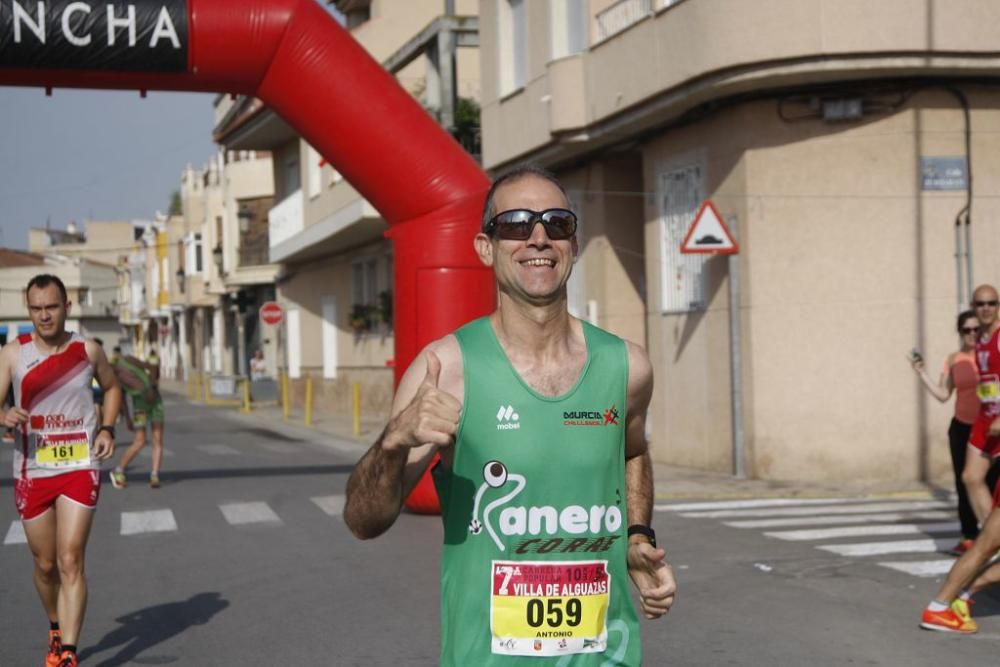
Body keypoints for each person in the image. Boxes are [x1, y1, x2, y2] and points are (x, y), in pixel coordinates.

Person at [343, 166, 676, 665]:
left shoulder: (626, 366)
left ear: (573, 243)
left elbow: (631, 452)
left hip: (608, 653)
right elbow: (362, 521)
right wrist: (394, 441)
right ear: (485, 247)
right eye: (517, 224)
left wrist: (637, 538)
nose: (538, 237)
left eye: (556, 223)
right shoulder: (448, 369)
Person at [0, 274, 122, 667]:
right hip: (32, 467)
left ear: (67, 307)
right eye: (36, 309)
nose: (44, 316)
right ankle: (55, 626)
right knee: (45, 563)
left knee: (70, 559)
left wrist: (106, 427)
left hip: (80, 464)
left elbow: (113, 388)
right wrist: (6, 415)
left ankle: (69, 653)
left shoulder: (88, 350)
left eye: (51, 307)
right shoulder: (12, 354)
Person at [909, 310, 983, 554]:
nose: (972, 334)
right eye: (966, 330)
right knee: (963, 482)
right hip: (961, 427)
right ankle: (970, 536)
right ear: (960, 332)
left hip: (987, 428)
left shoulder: (990, 355)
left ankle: (992, 535)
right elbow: (943, 394)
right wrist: (921, 372)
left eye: (976, 329)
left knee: (991, 482)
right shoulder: (953, 359)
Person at [960, 285, 1000, 525]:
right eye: (980, 304)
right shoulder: (980, 340)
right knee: (971, 477)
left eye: (992, 303)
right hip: (986, 416)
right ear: (973, 307)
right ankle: (993, 540)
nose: (986, 308)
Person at [108, 351, 165, 489]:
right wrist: (127, 419)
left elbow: (150, 367)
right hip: (139, 405)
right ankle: (119, 470)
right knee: (140, 441)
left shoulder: (128, 360)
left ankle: (154, 475)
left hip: (155, 401)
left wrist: (152, 387)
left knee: (158, 439)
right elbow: (123, 402)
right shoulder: (115, 380)